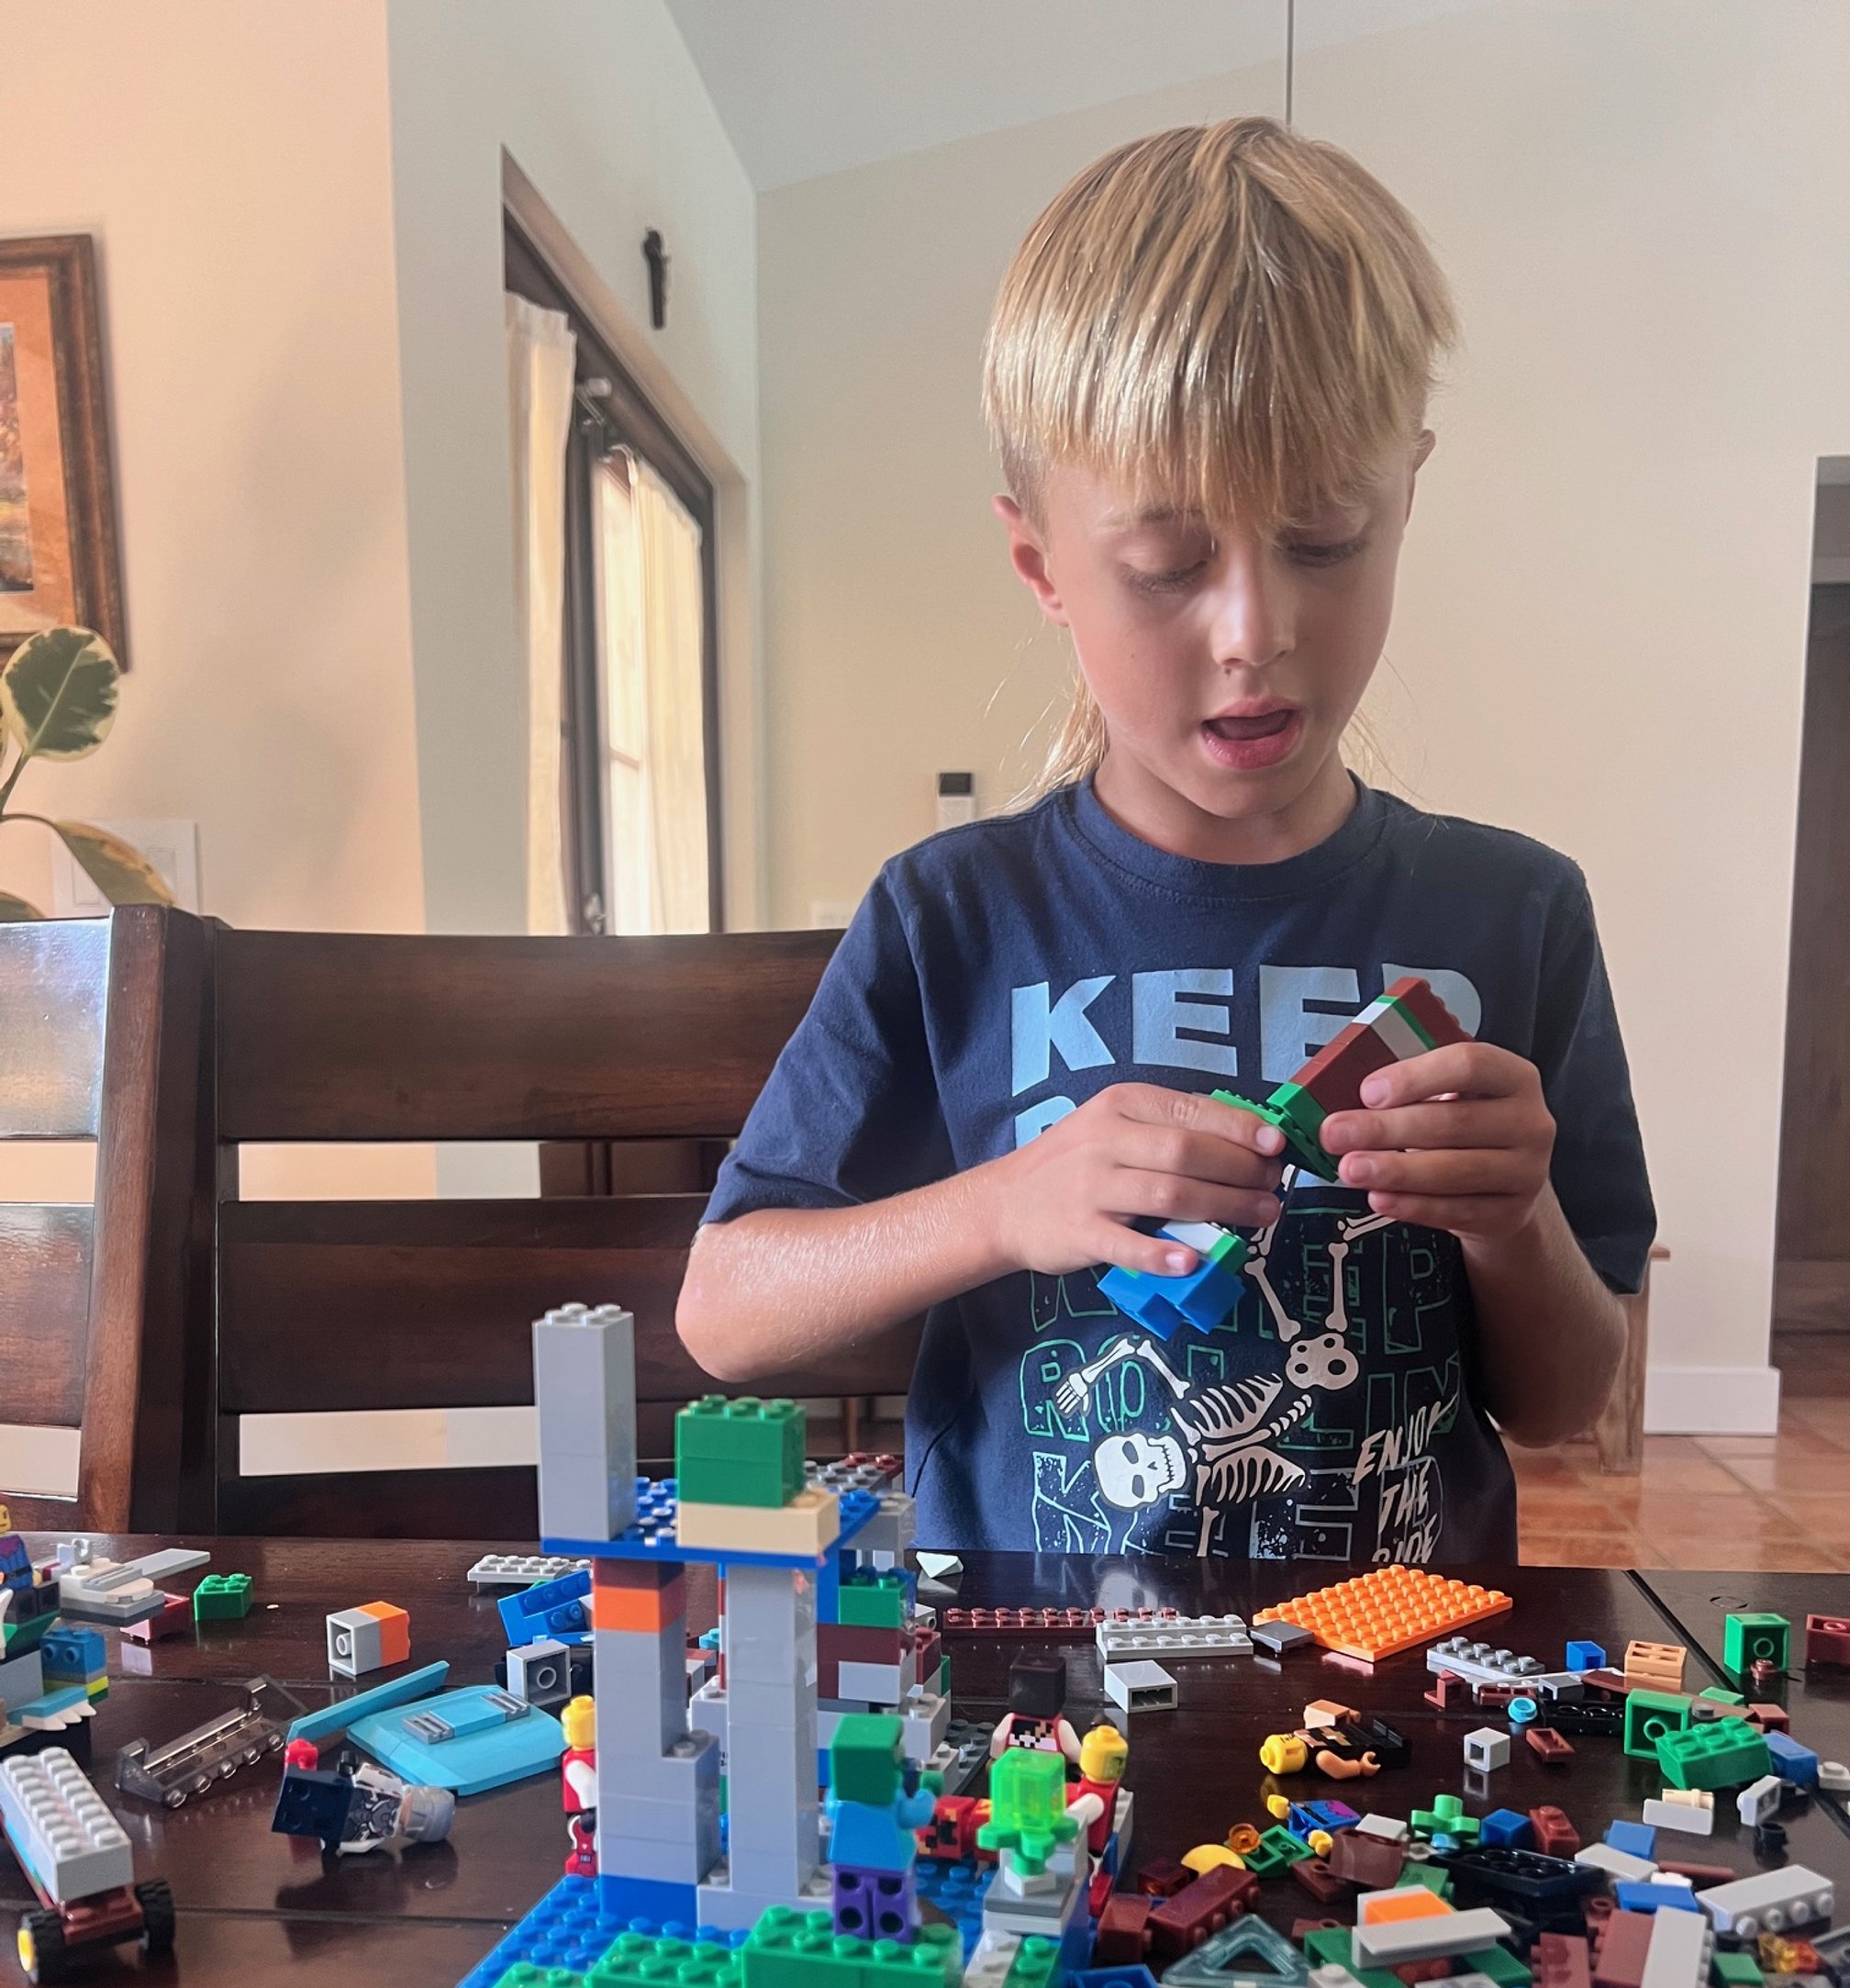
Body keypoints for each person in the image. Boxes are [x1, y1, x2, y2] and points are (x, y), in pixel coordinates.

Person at [678, 117, 1654, 1564]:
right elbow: (724, 1312)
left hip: (1404, 1654)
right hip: (1038, 1666)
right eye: (1165, 564)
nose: (1256, 631)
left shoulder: (1515, 910)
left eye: (1325, 539)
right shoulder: (953, 914)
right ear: (1042, 565)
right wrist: (1008, 1206)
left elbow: (1569, 1404)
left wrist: (1514, 1224)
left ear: (1405, 499)